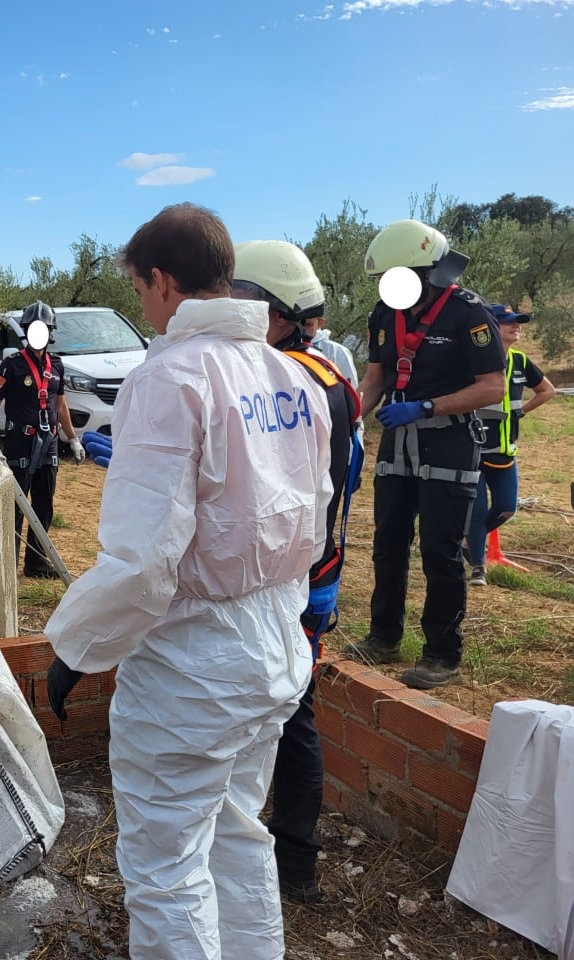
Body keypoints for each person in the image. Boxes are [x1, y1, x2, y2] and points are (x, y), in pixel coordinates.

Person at [44, 204, 331, 959]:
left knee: (166, 865)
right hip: (275, 642)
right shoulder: (290, 376)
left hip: (193, 664)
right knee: (237, 831)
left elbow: (142, 561)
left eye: (140, 289)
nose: (143, 305)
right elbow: (317, 514)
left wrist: (77, 645)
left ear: (163, 282)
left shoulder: (168, 378)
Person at [233, 240, 363, 905]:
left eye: (241, 299)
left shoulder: (278, 380)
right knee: (292, 709)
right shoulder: (332, 377)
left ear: (277, 311)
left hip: (284, 582)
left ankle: (292, 864)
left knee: (288, 714)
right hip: (317, 575)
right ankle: (291, 858)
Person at [341, 219, 505, 689]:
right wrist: (347, 418)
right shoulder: (384, 313)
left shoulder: (468, 313)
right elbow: (376, 377)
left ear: (429, 272)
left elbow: (491, 387)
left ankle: (441, 656)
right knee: (388, 544)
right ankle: (383, 638)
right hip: (399, 443)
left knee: (440, 551)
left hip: (450, 442)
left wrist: (428, 405)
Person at [0, 302, 85, 578]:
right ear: (26, 332)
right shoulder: (11, 365)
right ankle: (9, 565)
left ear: (50, 333)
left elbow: (60, 405)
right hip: (20, 443)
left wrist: (72, 439)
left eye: (44, 329)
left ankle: (36, 564)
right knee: (16, 504)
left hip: (48, 444)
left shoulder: (57, 366)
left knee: (44, 503)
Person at [464, 304, 556, 585]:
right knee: (478, 510)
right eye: (508, 322)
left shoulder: (520, 361)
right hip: (473, 451)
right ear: (492, 327)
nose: (516, 327)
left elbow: (547, 390)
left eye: (518, 322)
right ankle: (478, 567)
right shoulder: (469, 360)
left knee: (506, 508)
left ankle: (467, 541)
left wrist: (522, 412)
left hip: (506, 452)